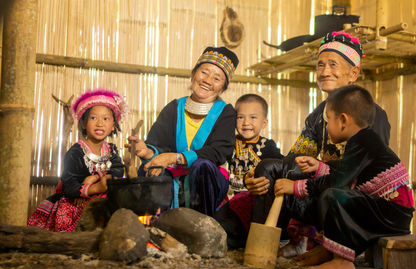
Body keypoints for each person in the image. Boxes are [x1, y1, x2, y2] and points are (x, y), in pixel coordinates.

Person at [240, 31, 392, 255]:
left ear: (354, 73)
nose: (324, 71)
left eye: (333, 64)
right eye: (320, 65)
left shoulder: (371, 115)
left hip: (352, 198)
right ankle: (260, 250)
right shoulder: (318, 115)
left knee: (299, 178)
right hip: (323, 187)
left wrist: (319, 172)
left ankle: (320, 243)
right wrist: (260, 176)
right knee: (271, 168)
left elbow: (364, 174)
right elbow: (295, 159)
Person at [271, 84, 414, 269]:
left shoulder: (365, 140)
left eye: (329, 119)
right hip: (385, 211)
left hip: (392, 214)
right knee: (331, 197)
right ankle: (329, 250)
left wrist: (296, 186)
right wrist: (319, 167)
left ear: (344, 120)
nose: (327, 125)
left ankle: (341, 261)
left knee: (333, 196)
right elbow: (347, 171)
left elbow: (338, 182)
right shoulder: (362, 140)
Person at [127, 46, 238, 217]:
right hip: (174, 180)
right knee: (149, 169)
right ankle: (159, 224)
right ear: (193, 74)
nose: (208, 80)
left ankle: (203, 227)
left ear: (223, 88)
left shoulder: (226, 113)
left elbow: (218, 152)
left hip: (207, 183)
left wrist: (176, 157)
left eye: (217, 78)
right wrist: (147, 151)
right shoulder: (174, 108)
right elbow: (159, 145)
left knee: (203, 166)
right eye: (204, 72)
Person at [27, 89, 127, 232]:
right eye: (93, 118)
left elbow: (118, 170)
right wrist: (94, 188)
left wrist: (96, 177)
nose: (100, 123)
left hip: (103, 199)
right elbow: (69, 184)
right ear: (84, 124)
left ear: (113, 126)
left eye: (106, 119)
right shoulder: (76, 152)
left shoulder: (112, 150)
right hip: (75, 202)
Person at [214, 94, 282, 248]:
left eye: (253, 117)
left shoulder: (268, 146)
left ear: (264, 122)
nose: (246, 123)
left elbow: (279, 168)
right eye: (240, 117)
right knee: (217, 221)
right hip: (229, 198)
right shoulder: (229, 143)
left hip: (256, 201)